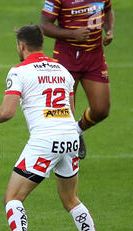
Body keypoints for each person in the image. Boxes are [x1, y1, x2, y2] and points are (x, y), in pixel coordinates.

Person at [0, 25, 108, 231]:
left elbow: (7, 112)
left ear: (21, 45)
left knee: (13, 197)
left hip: (44, 140)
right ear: (42, 43)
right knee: (71, 199)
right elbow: (71, 113)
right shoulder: (63, 70)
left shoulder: (19, 71)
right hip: (70, 137)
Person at [40, 0, 114, 159]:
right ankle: (61, 158)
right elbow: (44, 25)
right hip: (66, 57)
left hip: (94, 57)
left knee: (101, 109)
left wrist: (109, 30)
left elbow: (108, 10)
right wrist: (71, 34)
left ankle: (78, 130)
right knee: (63, 113)